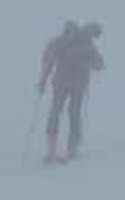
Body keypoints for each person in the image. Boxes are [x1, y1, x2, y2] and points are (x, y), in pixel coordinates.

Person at [37, 21, 105, 163]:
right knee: (74, 113)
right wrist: (90, 63)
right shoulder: (86, 43)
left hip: (60, 82)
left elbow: (48, 61)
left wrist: (43, 81)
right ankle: (72, 147)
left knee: (55, 111)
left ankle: (51, 147)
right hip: (78, 84)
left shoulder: (58, 42)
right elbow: (99, 64)